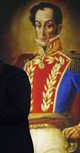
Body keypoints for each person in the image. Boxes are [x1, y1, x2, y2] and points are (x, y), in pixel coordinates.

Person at [21, 2, 80, 153]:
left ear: (58, 28)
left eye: (48, 25)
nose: (41, 33)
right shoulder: (25, 66)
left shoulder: (71, 63)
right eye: (38, 25)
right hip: (24, 137)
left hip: (55, 137)